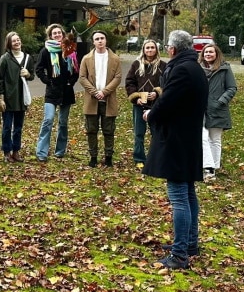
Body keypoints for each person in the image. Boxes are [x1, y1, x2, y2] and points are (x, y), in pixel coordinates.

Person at [143, 30, 209, 270]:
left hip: (177, 140)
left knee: (179, 197)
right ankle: (190, 243)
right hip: (187, 138)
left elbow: (168, 101)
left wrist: (151, 113)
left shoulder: (181, 70)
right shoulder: (194, 67)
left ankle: (181, 254)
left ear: (172, 49)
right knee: (188, 193)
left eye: (167, 46)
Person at [34, 24, 79, 162]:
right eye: (54, 33)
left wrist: (70, 82)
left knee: (63, 122)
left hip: (66, 91)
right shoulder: (46, 51)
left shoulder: (70, 49)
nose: (57, 35)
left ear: (63, 34)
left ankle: (60, 150)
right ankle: (41, 152)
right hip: (52, 91)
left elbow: (76, 70)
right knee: (48, 120)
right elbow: (39, 69)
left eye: (59, 32)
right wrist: (48, 81)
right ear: (50, 35)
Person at [78, 30, 122, 168]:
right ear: (93, 42)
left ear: (106, 40)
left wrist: (105, 92)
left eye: (102, 38)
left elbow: (118, 77)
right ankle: (93, 156)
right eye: (97, 39)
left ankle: (108, 157)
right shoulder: (86, 58)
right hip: (92, 100)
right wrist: (94, 92)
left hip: (108, 100)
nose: (100, 41)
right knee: (91, 129)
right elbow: (82, 77)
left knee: (109, 130)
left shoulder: (115, 58)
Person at [124, 39, 166, 170]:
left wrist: (158, 93)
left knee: (157, 132)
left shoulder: (163, 65)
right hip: (140, 104)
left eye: (152, 48)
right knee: (139, 132)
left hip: (156, 105)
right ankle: (139, 158)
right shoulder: (136, 65)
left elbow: (168, 82)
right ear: (143, 49)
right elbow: (129, 82)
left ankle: (157, 158)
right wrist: (136, 97)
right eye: (147, 48)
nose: (150, 50)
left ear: (156, 49)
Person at [0, 31, 35, 163]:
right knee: (7, 127)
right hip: (8, 98)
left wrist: (28, 74)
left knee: (18, 127)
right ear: (9, 44)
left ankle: (16, 151)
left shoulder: (28, 58)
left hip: (21, 98)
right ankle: (7, 152)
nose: (17, 42)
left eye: (18, 40)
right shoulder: (5, 58)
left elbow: (33, 76)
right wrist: (0, 97)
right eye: (14, 41)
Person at [200, 42, 237, 181]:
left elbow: (232, 88)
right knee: (203, 138)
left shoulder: (224, 69)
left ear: (216, 54)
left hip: (217, 109)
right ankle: (208, 167)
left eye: (211, 52)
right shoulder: (198, 69)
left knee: (215, 139)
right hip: (201, 109)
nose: (208, 54)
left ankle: (214, 168)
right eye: (206, 52)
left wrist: (220, 101)